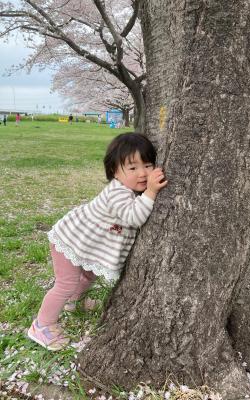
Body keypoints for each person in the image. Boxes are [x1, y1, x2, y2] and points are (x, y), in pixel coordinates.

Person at [27, 132, 167, 351]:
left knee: (89, 275)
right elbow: (134, 217)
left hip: (88, 245)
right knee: (66, 283)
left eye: (148, 165)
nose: (143, 173)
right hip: (70, 241)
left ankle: (75, 302)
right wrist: (151, 191)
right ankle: (42, 325)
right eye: (132, 168)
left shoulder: (129, 191)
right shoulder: (117, 193)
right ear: (114, 172)